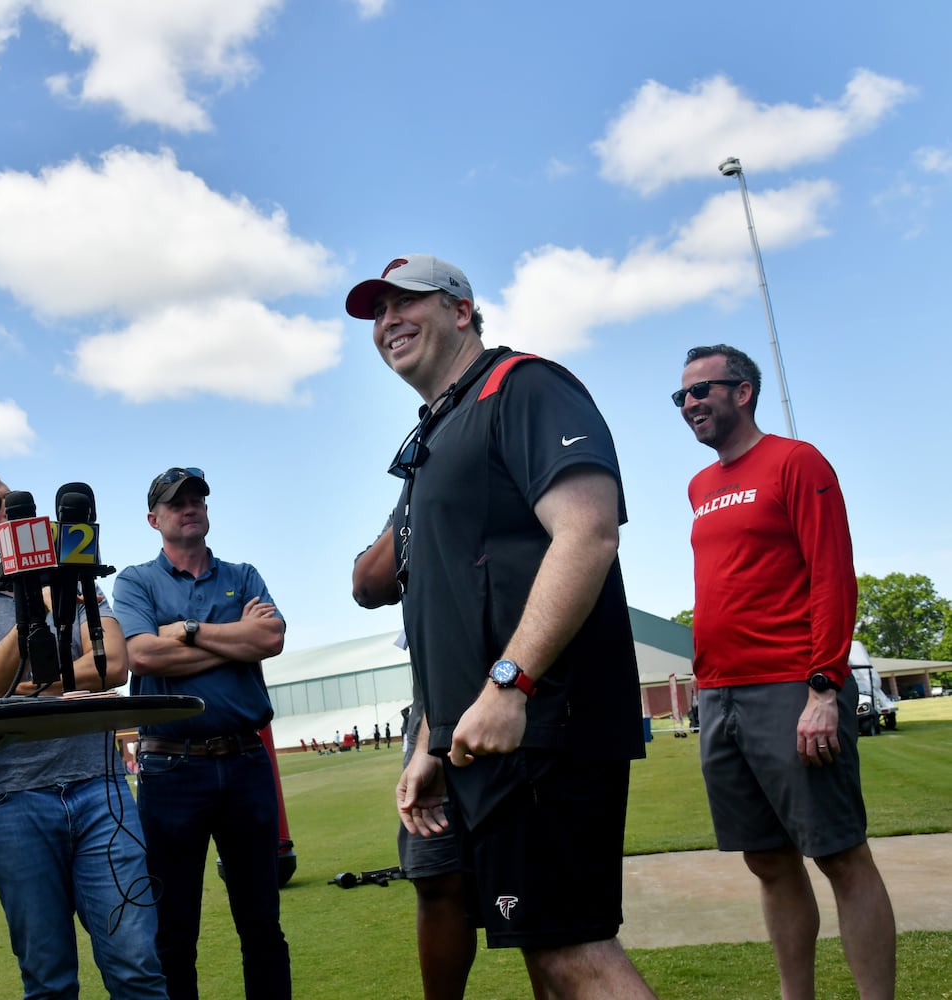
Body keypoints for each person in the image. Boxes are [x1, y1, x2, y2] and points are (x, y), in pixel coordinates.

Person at [348, 254, 654, 998]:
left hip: (542, 728)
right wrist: (431, 743)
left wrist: (511, 683)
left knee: (570, 953)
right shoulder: (437, 432)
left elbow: (587, 533)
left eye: (405, 302)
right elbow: (441, 612)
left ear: (460, 310)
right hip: (482, 739)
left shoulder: (523, 387)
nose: (388, 320)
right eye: (376, 312)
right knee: (540, 948)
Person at [677, 344, 895, 999]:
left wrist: (823, 687)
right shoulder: (699, 486)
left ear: (741, 391)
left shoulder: (796, 463)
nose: (688, 405)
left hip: (791, 689)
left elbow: (831, 574)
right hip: (718, 696)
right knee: (767, 861)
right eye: (679, 397)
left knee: (838, 854)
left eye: (700, 391)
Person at [0, 469, 165, 1000]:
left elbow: (114, 666)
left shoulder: (78, 581)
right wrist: (35, 603)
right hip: (9, 804)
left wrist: (26, 687)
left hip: (99, 789)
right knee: (49, 977)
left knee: (137, 966)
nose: (11, 513)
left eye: (14, 504)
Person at [114, 466, 290, 1000]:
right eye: (175, 503)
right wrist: (236, 636)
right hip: (172, 767)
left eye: (196, 499)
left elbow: (271, 637)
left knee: (261, 922)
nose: (189, 507)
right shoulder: (135, 580)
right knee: (173, 930)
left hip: (243, 759)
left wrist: (187, 631)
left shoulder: (243, 573)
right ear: (154, 519)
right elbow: (140, 653)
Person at [353, 522, 472, 1000]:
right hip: (432, 712)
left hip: (513, 694)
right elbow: (366, 584)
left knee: (534, 900)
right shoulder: (415, 491)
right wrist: (416, 492)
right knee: (435, 876)